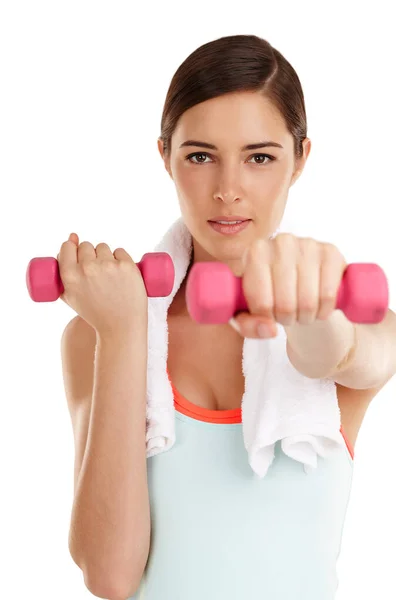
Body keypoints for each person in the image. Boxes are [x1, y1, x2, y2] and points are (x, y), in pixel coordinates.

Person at [60, 34, 387, 600]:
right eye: (200, 156)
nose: (228, 190)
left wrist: (308, 312)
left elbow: (341, 353)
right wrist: (122, 332)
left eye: (260, 157)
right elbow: (111, 576)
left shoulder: (359, 313)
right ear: (165, 157)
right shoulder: (95, 334)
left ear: (301, 159)